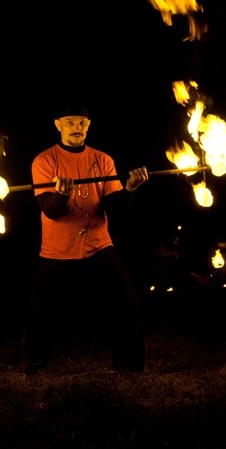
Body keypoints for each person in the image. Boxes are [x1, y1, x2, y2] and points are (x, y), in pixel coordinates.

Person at [18, 104, 149, 374]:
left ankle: (130, 372)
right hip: (57, 251)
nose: (76, 128)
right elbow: (51, 211)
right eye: (70, 122)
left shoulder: (103, 159)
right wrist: (62, 194)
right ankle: (32, 371)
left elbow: (113, 207)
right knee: (40, 316)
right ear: (58, 125)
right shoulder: (44, 161)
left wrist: (129, 189)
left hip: (98, 246)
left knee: (126, 304)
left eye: (81, 122)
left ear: (88, 125)